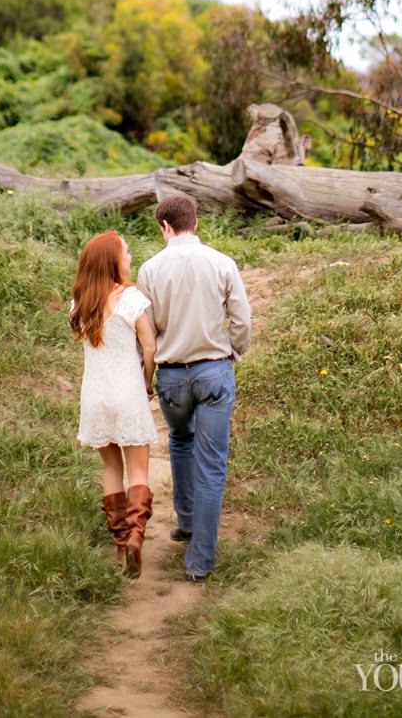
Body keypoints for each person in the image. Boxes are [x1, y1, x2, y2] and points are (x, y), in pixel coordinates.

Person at [137, 194, 251, 582]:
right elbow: (241, 318)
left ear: (164, 227)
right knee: (212, 463)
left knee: (180, 441)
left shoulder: (150, 269)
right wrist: (234, 350)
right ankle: (199, 561)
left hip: (171, 375)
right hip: (213, 371)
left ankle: (185, 521)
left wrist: (147, 375)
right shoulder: (221, 262)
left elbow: (147, 332)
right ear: (195, 223)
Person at [70, 230, 158, 578]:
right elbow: (149, 347)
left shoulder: (79, 303)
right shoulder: (130, 299)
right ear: (112, 260)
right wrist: (147, 382)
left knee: (111, 471)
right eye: (125, 253)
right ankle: (137, 537)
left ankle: (121, 546)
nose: (130, 258)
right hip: (127, 393)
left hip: (95, 397)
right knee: (138, 471)